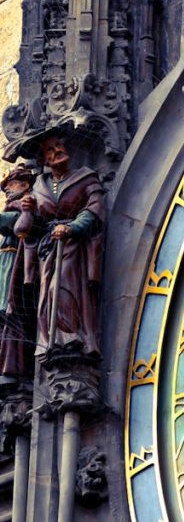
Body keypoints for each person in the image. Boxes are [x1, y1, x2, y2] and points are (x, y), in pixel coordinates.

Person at [16, 131, 105, 358]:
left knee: (63, 286)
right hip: (48, 248)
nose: (57, 151)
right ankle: (51, 339)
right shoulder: (38, 187)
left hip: (74, 246)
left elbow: (95, 208)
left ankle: (72, 336)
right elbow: (27, 229)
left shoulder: (86, 177)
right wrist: (27, 209)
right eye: (50, 150)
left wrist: (72, 227)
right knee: (47, 294)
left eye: (58, 146)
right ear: (44, 160)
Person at [0, 165, 37, 382]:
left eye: (10, 185)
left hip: (16, 264)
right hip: (6, 262)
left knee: (10, 313)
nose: (7, 190)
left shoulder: (23, 206)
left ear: (24, 185)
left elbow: (12, 224)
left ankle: (12, 368)